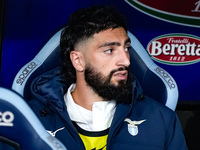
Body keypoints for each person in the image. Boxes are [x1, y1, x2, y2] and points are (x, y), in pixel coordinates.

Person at [28, 6, 188, 150]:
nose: (126, 60)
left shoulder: (162, 120)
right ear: (78, 60)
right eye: (110, 50)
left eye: (126, 48)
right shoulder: (28, 121)